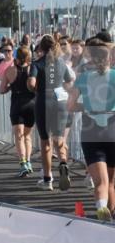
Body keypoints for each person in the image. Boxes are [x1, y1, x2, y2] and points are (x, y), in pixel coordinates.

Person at [67, 38, 115, 221]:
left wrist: (86, 107)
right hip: (112, 130)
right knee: (111, 182)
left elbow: (70, 106)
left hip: (91, 132)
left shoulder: (83, 78)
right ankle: (110, 218)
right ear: (108, 58)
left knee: (100, 183)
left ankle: (101, 207)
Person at [29, 35, 74, 191]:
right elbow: (69, 82)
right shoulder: (62, 63)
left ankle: (47, 178)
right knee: (59, 138)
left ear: (41, 48)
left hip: (43, 101)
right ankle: (63, 162)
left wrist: (34, 89)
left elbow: (31, 83)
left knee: (45, 141)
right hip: (60, 101)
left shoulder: (37, 64)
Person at [0, 45, 36, 177]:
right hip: (31, 103)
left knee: (18, 136)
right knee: (27, 136)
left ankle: (23, 163)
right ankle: (29, 162)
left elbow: (1, 90)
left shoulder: (10, 70)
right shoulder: (33, 69)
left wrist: (10, 86)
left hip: (17, 104)